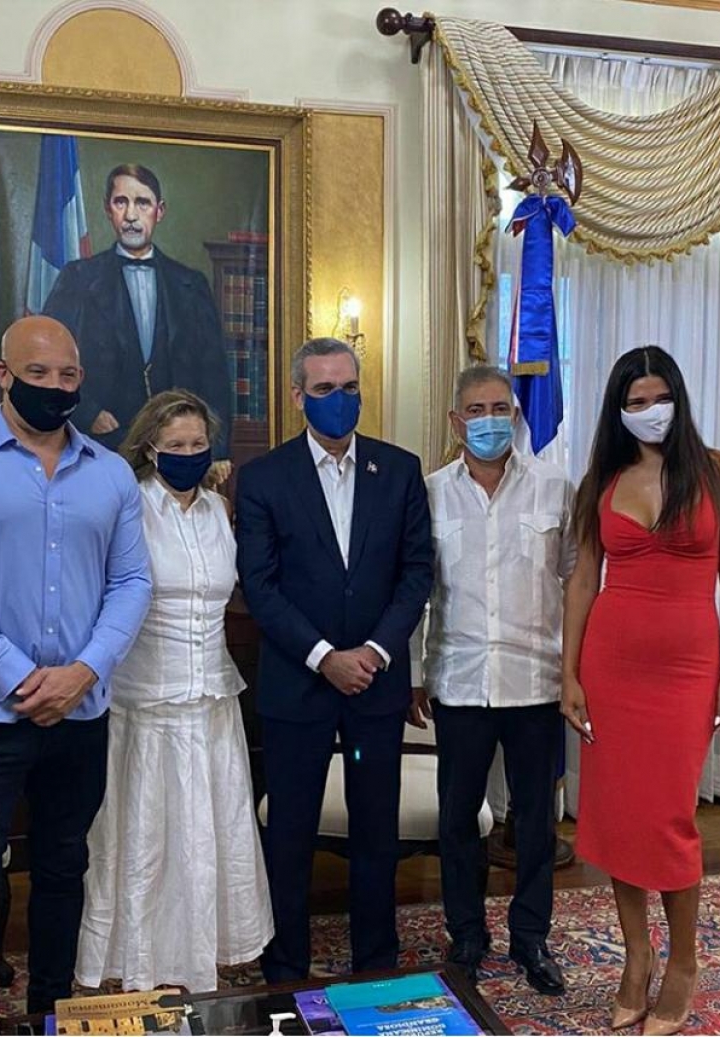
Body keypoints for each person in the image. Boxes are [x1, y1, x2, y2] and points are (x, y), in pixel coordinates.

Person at [0, 315, 152, 1035]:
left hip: (79, 714)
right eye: (38, 373)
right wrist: (21, 677)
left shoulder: (110, 473)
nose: (55, 386)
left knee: (63, 868)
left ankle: (48, 1017)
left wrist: (84, 670)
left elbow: (132, 582)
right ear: (4, 375)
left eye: (68, 375)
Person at [562, 346, 720, 1036]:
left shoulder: (717, 471)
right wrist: (569, 673)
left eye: (659, 397)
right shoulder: (602, 480)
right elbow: (583, 579)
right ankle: (636, 956)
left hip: (687, 669)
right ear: (619, 411)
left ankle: (684, 962)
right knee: (619, 814)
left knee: (669, 815)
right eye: (636, 401)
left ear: (679, 397)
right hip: (612, 666)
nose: (650, 411)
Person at [236, 337, 433, 982]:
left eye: (349, 387)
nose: (339, 400)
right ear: (299, 396)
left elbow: (416, 574)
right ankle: (286, 966)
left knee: (376, 832)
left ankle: (375, 961)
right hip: (298, 686)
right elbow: (260, 586)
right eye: (324, 389)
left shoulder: (399, 470)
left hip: (375, 686)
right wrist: (325, 658)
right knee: (289, 834)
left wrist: (373, 652)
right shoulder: (264, 478)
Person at [76, 389, 272, 992]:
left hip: (212, 697)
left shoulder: (217, 510)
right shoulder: (128, 506)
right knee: (147, 839)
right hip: (147, 702)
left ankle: (207, 954)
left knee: (210, 834)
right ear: (150, 449)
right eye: (175, 445)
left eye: (197, 444)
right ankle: (139, 963)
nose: (188, 454)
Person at [410, 365, 576, 992]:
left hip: (536, 681)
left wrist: (574, 672)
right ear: (456, 422)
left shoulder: (556, 488)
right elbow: (416, 591)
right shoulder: (431, 493)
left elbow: (577, 581)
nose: (489, 421)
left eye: (499, 409)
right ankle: (467, 934)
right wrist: (414, 673)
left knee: (534, 822)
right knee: (458, 820)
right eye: (476, 411)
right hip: (459, 682)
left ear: (516, 414)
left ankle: (531, 938)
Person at [43, 163, 232, 456]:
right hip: (100, 447)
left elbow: (214, 373)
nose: (131, 215)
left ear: (160, 211)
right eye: (121, 202)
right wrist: (88, 413)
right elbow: (47, 361)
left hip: (177, 450)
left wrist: (218, 452)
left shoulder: (191, 284)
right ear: (108, 210)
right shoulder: (77, 278)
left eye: (142, 203)